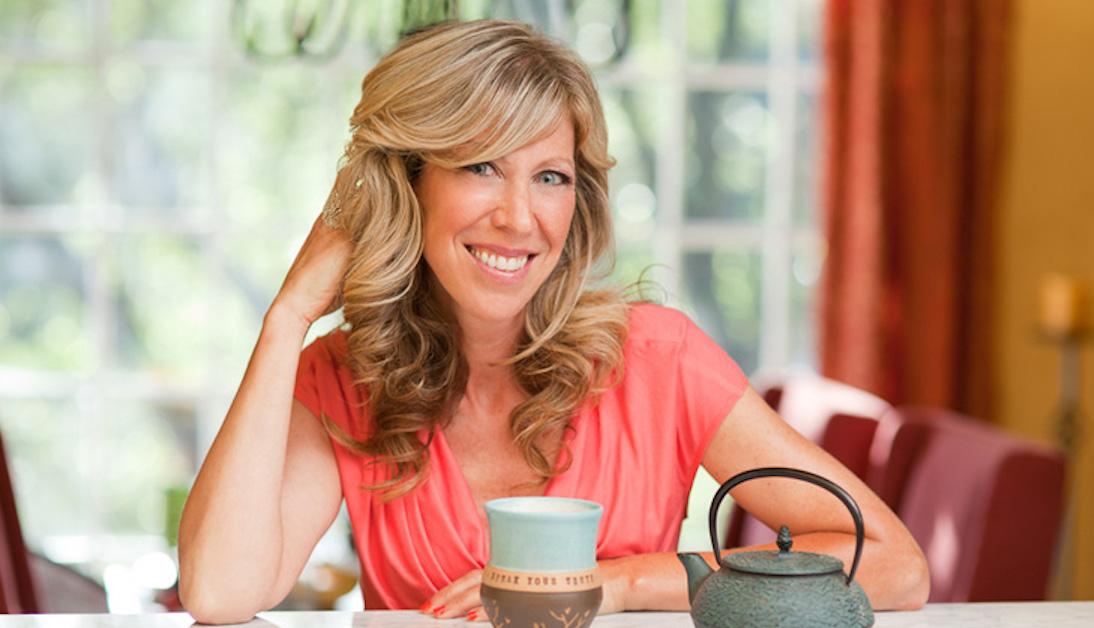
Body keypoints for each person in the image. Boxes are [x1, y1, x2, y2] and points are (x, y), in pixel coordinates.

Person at [178, 19, 929, 624]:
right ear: (409, 186)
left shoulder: (659, 359)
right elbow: (218, 594)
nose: (518, 218)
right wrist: (289, 315)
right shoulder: (344, 375)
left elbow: (896, 565)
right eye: (480, 167)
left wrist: (617, 584)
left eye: (550, 178)